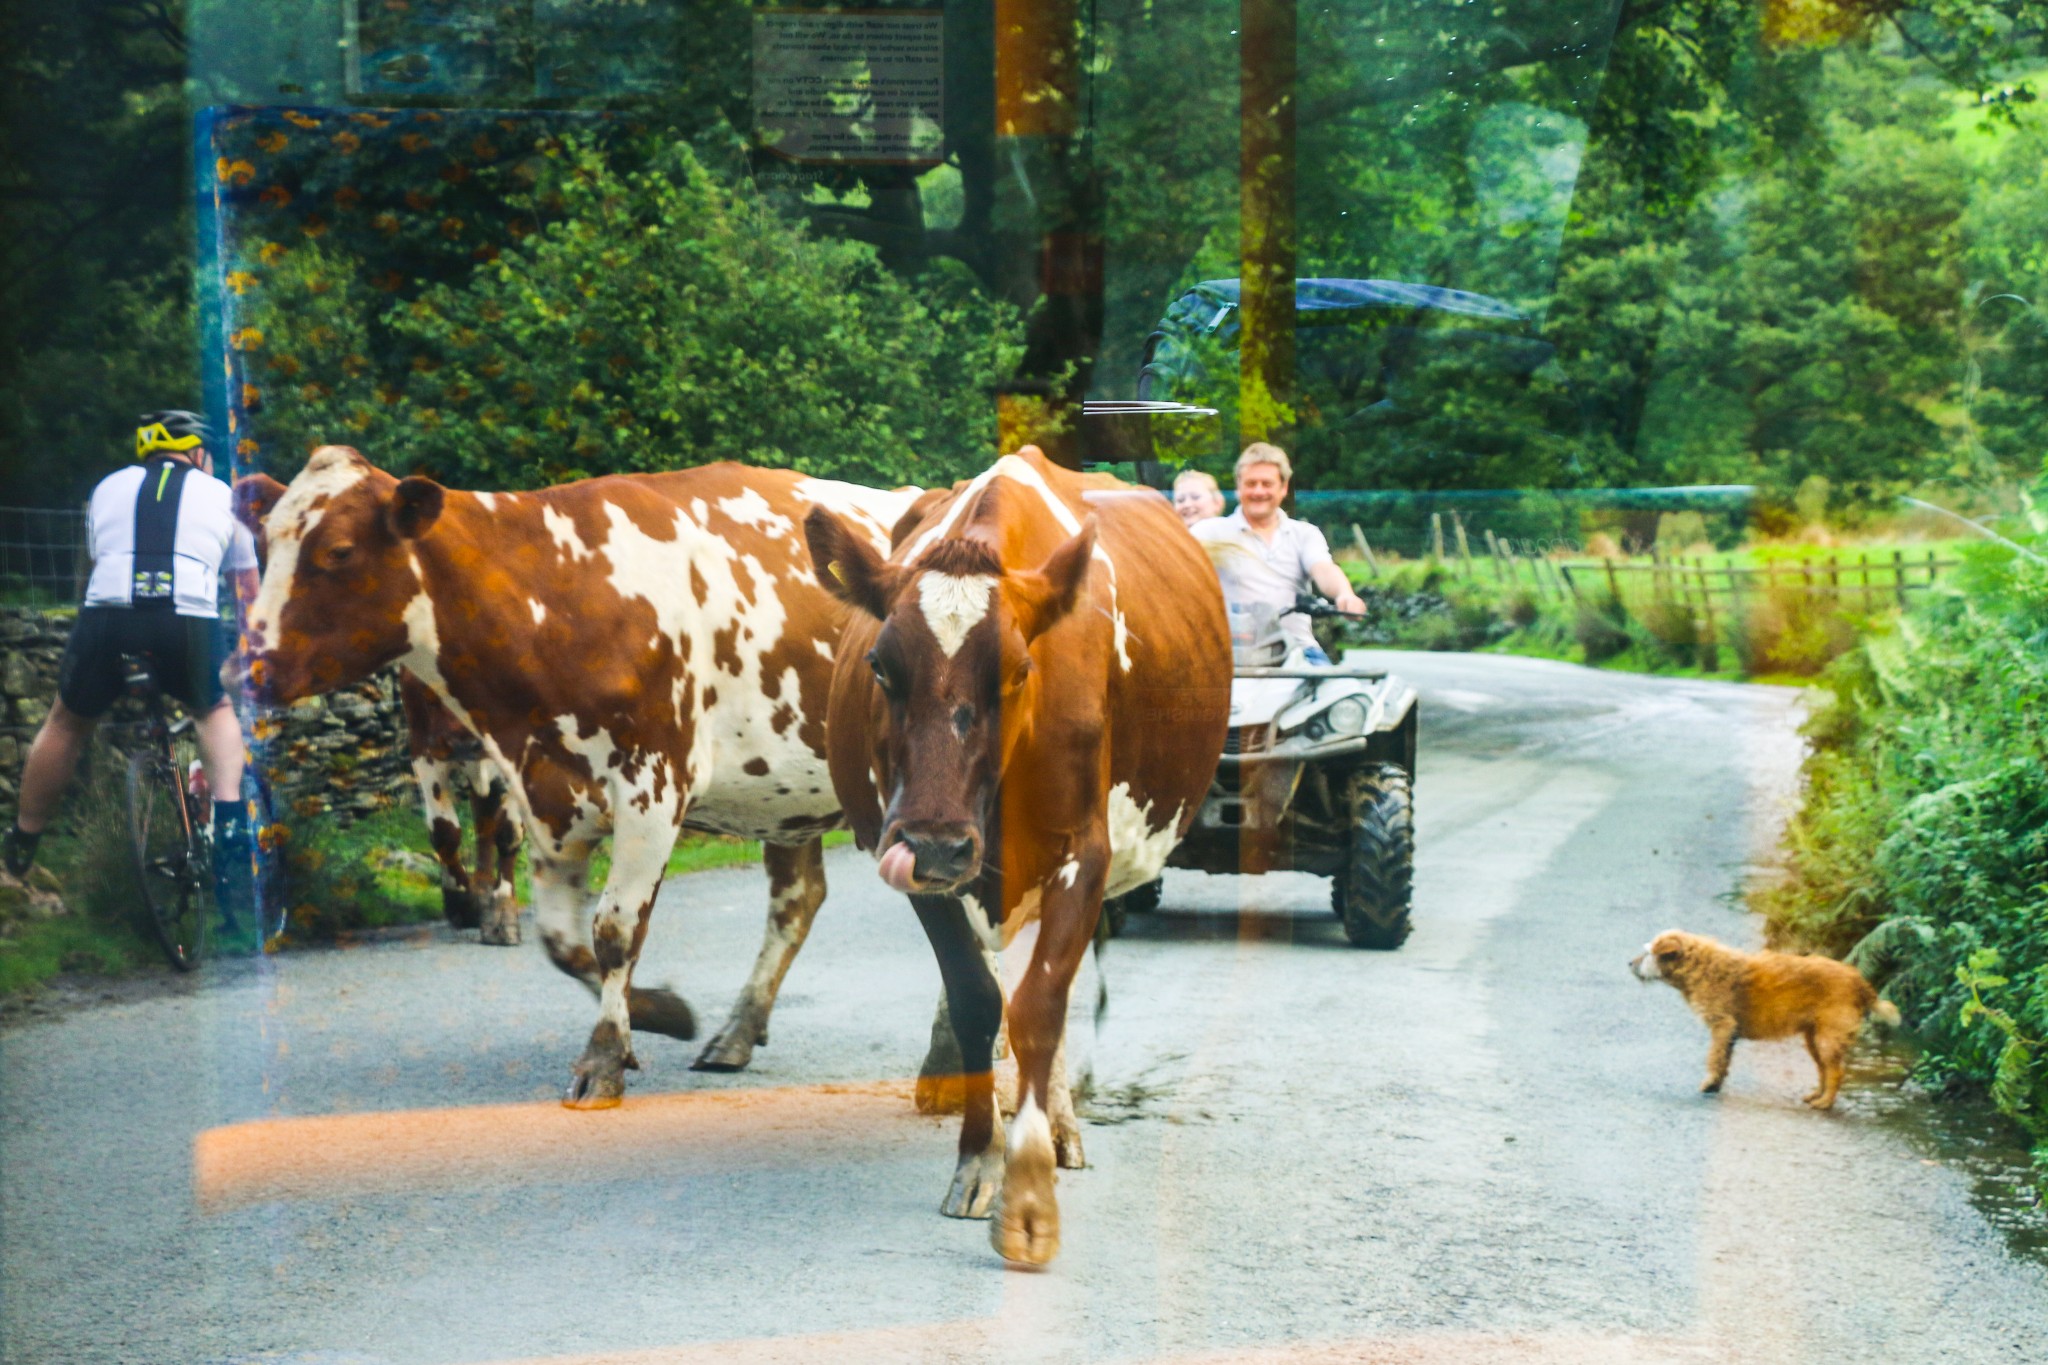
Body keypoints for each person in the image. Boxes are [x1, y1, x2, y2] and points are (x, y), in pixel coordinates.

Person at [3, 412, 261, 910]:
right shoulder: (227, 496)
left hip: (108, 617)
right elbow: (248, 593)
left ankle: (23, 838)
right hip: (185, 620)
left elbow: (99, 563)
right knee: (212, 711)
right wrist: (244, 656)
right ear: (198, 454)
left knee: (66, 723)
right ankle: (229, 825)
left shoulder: (107, 488)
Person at [1191, 441, 1366, 665]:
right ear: (1238, 486)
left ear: (1283, 488)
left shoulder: (1304, 534)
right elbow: (1173, 566)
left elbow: (1323, 568)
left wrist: (1345, 594)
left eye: (1267, 483)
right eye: (1251, 483)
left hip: (1299, 652)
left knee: (1346, 697)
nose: (1258, 491)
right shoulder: (1210, 532)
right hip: (1233, 655)